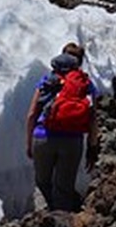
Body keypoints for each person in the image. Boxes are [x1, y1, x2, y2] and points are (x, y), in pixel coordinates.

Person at [25, 42, 99, 211]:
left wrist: (29, 142)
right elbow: (93, 119)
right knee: (64, 187)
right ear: (79, 62)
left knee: (42, 181)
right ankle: (62, 217)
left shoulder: (47, 80)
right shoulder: (85, 84)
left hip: (43, 137)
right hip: (72, 141)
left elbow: (31, 114)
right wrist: (92, 148)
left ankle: (51, 213)